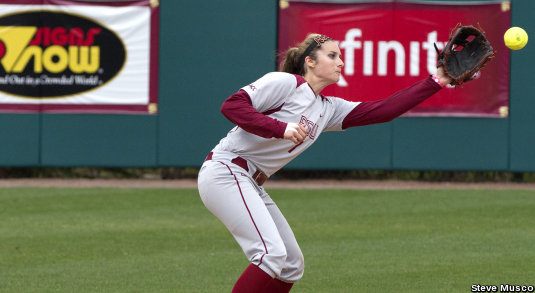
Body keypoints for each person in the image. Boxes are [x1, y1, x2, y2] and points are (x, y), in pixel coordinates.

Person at [197, 33, 453, 292]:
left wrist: (437, 81)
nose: (340, 62)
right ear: (309, 61)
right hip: (226, 170)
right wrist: (279, 127)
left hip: (249, 181)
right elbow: (232, 106)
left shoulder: (327, 108)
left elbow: (383, 110)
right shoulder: (286, 83)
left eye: (340, 56)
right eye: (332, 55)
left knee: (291, 265)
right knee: (271, 254)